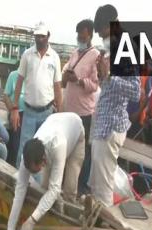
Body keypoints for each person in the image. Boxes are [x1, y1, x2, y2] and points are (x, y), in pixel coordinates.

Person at [5, 113, 85, 230]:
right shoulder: (28, 156)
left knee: (68, 190)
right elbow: (19, 193)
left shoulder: (58, 144)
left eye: (34, 170)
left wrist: (32, 220)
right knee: (44, 187)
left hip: (75, 131)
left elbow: (54, 190)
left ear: (42, 162)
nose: (30, 173)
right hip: (54, 124)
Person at [89, 4, 140, 207]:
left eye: (101, 31)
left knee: (103, 191)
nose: (101, 36)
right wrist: (103, 74)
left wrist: (109, 76)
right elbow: (109, 87)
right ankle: (99, 219)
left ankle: (104, 228)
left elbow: (135, 91)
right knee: (97, 185)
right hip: (103, 126)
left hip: (111, 127)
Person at [11, 22, 63, 168]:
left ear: (48, 36)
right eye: (37, 36)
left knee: (43, 150)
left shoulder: (55, 57)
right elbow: (19, 82)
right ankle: (18, 179)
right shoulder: (27, 54)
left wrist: (59, 112)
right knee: (24, 147)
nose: (39, 39)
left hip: (46, 112)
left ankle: (37, 185)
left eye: (42, 36)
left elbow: (57, 87)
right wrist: (15, 108)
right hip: (28, 111)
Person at [62, 19, 99, 194]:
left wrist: (78, 81)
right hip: (68, 110)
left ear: (89, 34)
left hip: (84, 112)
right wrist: (67, 75)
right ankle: (65, 183)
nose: (79, 37)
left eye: (82, 34)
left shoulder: (96, 56)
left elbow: (95, 84)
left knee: (82, 152)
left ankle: (81, 186)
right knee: (66, 148)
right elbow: (66, 69)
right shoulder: (75, 52)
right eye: (78, 34)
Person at [4, 63, 26, 166]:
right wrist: (12, 111)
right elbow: (6, 96)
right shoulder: (13, 75)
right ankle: (13, 164)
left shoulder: (32, 78)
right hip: (15, 111)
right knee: (17, 137)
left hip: (29, 113)